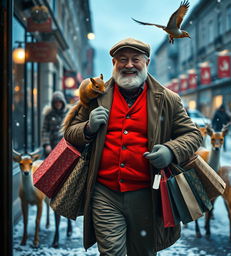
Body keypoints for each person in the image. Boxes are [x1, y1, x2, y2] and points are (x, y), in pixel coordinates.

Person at [63, 38, 202, 256]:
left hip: (148, 194)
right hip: (104, 193)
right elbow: (70, 133)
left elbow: (192, 134)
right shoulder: (95, 95)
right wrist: (88, 128)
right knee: (111, 253)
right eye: (122, 60)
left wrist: (170, 150)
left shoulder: (168, 99)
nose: (129, 65)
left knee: (143, 252)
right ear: (113, 63)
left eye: (135, 59)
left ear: (146, 62)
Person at [41, 91, 72, 248]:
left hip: (67, 154)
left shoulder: (69, 113)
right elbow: (45, 131)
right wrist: (46, 144)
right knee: (56, 190)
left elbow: (72, 130)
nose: (58, 104)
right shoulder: (49, 115)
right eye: (56, 102)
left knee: (67, 190)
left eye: (60, 102)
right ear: (54, 103)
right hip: (53, 154)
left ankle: (68, 221)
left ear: (62, 102)